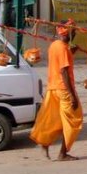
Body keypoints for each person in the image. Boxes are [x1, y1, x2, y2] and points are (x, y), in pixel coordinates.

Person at [30, 19, 83, 161]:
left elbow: (61, 62)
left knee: (55, 120)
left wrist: (71, 52)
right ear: (68, 32)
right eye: (74, 30)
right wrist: (72, 95)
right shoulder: (63, 48)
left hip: (53, 88)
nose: (76, 32)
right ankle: (63, 154)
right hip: (63, 89)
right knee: (74, 120)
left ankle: (45, 144)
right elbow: (64, 72)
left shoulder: (55, 45)